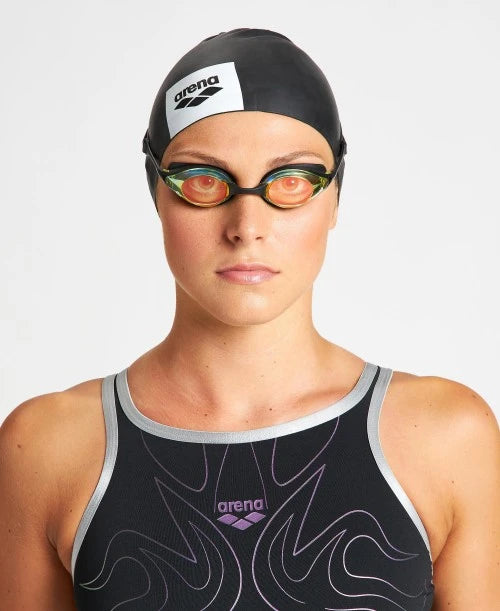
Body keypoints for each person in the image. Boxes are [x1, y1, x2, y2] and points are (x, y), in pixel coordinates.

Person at [1, 27, 499, 611]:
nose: (246, 226)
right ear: (156, 192)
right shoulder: (47, 450)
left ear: (335, 196)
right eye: (203, 181)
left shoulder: (446, 438)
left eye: (289, 183)